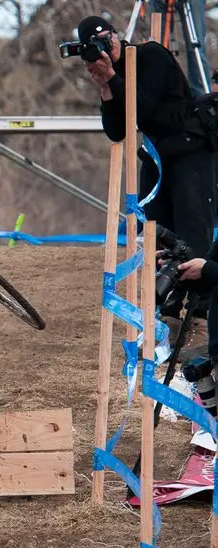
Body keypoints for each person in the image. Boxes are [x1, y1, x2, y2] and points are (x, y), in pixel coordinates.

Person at [81, 14, 217, 349]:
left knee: (192, 231)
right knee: (157, 235)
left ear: (117, 36)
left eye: (106, 41)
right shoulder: (112, 75)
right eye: (95, 47)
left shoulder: (150, 55)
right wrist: (104, 88)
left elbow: (142, 106)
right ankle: (166, 314)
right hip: (157, 159)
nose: (104, 50)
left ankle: (198, 317)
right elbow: (117, 130)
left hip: (189, 152)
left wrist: (113, 76)